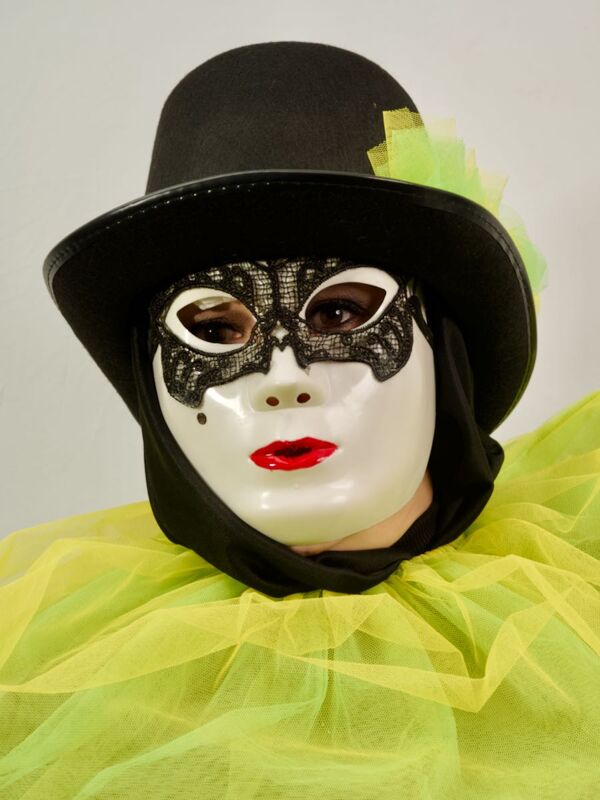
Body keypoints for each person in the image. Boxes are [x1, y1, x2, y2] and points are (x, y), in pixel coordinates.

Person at [0, 41, 598, 800]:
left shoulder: (577, 627)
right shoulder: (46, 665)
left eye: (340, 314)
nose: (284, 381)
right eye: (214, 330)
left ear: (443, 348)